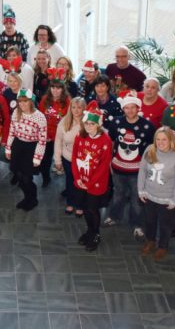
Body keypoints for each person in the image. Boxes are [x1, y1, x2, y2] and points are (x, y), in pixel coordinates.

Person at [103, 90, 155, 238]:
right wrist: (109, 163)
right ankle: (114, 216)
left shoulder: (148, 126)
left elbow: (152, 147)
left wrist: (148, 168)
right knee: (118, 194)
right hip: (118, 168)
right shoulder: (117, 122)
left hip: (138, 171)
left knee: (136, 199)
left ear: (138, 108)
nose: (130, 110)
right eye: (127, 107)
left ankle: (137, 224)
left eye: (133, 107)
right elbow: (112, 142)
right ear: (123, 108)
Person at [138, 127, 175, 260]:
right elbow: (142, 170)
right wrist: (141, 189)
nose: (160, 142)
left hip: (166, 199)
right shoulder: (150, 149)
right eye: (158, 139)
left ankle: (163, 246)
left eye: (164, 139)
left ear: (170, 140)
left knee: (165, 225)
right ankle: (150, 240)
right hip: (149, 195)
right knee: (150, 221)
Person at [72, 102, 114, 252]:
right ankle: (89, 231)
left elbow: (103, 167)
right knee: (84, 207)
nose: (89, 126)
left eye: (92, 124)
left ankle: (95, 234)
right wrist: (77, 178)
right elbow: (75, 157)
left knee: (92, 209)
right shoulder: (80, 136)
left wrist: (89, 183)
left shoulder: (105, 141)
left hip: (95, 184)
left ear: (98, 124)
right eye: (87, 123)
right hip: (80, 181)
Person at [5, 88, 47, 211]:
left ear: (31, 102)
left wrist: (37, 157)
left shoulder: (40, 117)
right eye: (20, 101)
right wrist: (8, 149)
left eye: (25, 101)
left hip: (31, 148)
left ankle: (32, 198)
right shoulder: (15, 113)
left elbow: (42, 140)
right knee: (18, 174)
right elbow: (12, 132)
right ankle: (26, 197)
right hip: (18, 146)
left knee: (27, 177)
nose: (22, 104)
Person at [38, 70, 71, 187]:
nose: (55, 90)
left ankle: (67, 186)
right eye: (52, 87)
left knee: (64, 161)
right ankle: (45, 178)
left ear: (63, 89)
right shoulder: (45, 99)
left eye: (58, 88)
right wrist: (43, 135)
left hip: (61, 136)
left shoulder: (67, 101)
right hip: (47, 136)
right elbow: (41, 118)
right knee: (45, 160)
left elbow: (69, 120)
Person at [54, 97, 86, 216]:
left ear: (84, 108)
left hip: (83, 161)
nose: (76, 110)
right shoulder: (64, 122)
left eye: (79, 107)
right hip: (68, 158)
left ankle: (80, 204)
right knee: (70, 181)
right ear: (70, 108)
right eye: (73, 107)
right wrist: (57, 160)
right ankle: (70, 202)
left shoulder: (89, 122)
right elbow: (58, 141)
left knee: (82, 183)